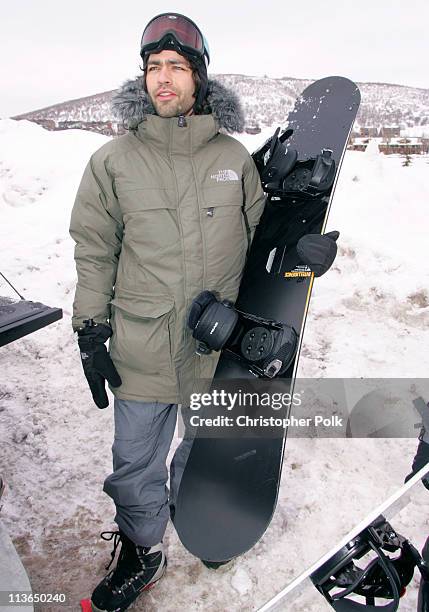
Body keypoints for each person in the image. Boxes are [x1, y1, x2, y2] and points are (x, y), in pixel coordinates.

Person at [70, 12, 338, 612]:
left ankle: (201, 518)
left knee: (207, 446)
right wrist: (90, 328)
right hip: (141, 346)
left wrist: (305, 253)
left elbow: (259, 246)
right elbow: (94, 250)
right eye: (153, 68)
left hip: (217, 347)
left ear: (200, 78)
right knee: (133, 464)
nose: (163, 79)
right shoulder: (112, 162)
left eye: (176, 67)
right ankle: (143, 549)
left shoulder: (234, 159)